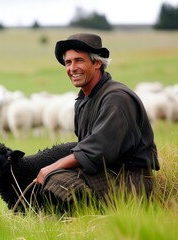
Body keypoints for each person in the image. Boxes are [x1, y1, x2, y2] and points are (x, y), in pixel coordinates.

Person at [35, 33, 160, 206]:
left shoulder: (116, 98)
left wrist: (51, 167)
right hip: (105, 173)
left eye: (79, 60)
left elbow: (97, 149)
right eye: (68, 62)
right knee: (48, 176)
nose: (72, 68)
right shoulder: (84, 100)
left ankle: (94, 218)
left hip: (130, 180)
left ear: (97, 63)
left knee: (56, 180)